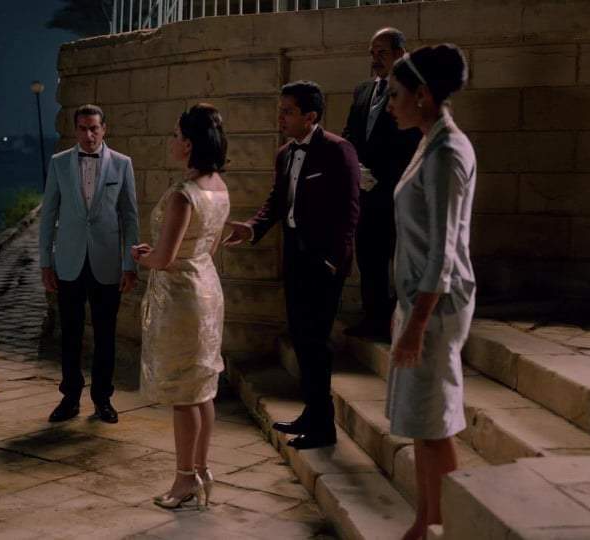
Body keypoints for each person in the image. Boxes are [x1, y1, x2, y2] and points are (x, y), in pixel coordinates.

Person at [224, 81, 360, 450]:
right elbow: (276, 202)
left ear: (310, 116)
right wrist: (252, 228)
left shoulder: (338, 150)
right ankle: (312, 414)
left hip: (325, 264)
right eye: (280, 110)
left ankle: (323, 427)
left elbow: (350, 209)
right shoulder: (285, 153)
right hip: (295, 260)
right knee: (301, 340)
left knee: (316, 343)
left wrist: (333, 260)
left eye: (288, 111)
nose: (280, 117)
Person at [385, 44, 475, 540]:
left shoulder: (447, 153)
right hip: (419, 300)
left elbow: (443, 251)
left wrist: (416, 323)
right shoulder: (429, 141)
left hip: (436, 306)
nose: (390, 105)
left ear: (422, 94)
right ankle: (426, 520)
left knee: (435, 421)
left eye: (395, 94)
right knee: (423, 420)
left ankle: (449, 524)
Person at [133, 103, 230, 510]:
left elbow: (165, 258)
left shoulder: (184, 194)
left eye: (175, 135)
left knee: (185, 394)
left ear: (188, 144)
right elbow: (211, 244)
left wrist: (142, 256)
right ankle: (202, 470)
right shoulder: (219, 186)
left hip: (182, 296)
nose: (171, 141)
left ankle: (184, 480)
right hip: (207, 286)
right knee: (202, 387)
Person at [39, 104, 139, 424]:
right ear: (75, 130)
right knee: (70, 334)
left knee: (105, 335)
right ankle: (69, 398)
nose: (89, 135)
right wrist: (45, 262)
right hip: (68, 261)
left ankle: (103, 399)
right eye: (82, 128)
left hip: (107, 262)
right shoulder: (59, 163)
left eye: (94, 128)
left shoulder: (122, 164)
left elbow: (130, 217)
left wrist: (129, 264)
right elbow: (48, 215)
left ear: (104, 128)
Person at [342, 27, 422, 342]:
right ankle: (373, 318)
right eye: (372, 53)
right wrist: (356, 169)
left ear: (400, 54)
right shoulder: (363, 90)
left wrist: (387, 178)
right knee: (368, 256)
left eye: (382, 53)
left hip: (397, 190)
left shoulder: (413, 91)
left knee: (398, 258)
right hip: (364, 191)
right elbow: (350, 133)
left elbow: (413, 140)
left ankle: (401, 322)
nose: (375, 59)